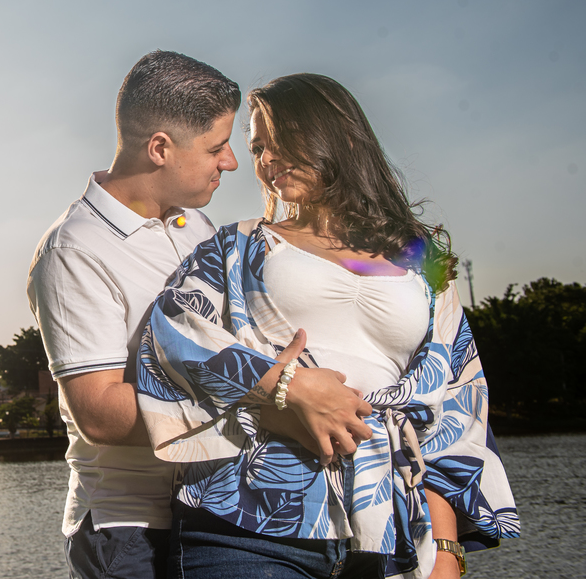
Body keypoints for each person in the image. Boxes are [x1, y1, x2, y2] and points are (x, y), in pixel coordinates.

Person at [138, 73, 520, 579]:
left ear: (335, 134)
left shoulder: (423, 260)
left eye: (279, 141)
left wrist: (447, 549)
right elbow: (172, 331)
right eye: (258, 149)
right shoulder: (236, 246)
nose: (266, 160)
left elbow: (458, 401)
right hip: (252, 520)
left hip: (393, 532)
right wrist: (285, 386)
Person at [28, 55, 372, 579]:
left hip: (221, 510)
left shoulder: (199, 228)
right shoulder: (74, 249)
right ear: (160, 148)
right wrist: (274, 400)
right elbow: (99, 413)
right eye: (216, 147)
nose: (231, 162)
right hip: (133, 529)